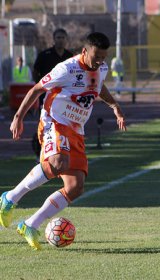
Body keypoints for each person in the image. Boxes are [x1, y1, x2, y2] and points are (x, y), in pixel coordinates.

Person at [0, 32, 126, 250]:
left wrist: (114, 106)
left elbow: (98, 87)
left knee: (76, 187)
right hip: (54, 121)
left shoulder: (101, 68)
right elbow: (36, 89)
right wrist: (18, 117)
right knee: (58, 162)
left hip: (76, 129)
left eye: (103, 57)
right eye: (96, 56)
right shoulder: (67, 69)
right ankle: (10, 198)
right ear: (85, 51)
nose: (100, 61)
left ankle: (30, 224)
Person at [32, 28, 74, 160]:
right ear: (54, 39)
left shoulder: (70, 56)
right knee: (45, 125)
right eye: (58, 38)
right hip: (47, 97)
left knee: (64, 126)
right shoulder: (45, 55)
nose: (60, 40)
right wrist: (41, 87)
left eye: (62, 38)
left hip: (65, 98)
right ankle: (41, 153)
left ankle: (62, 152)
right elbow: (36, 71)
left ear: (66, 39)